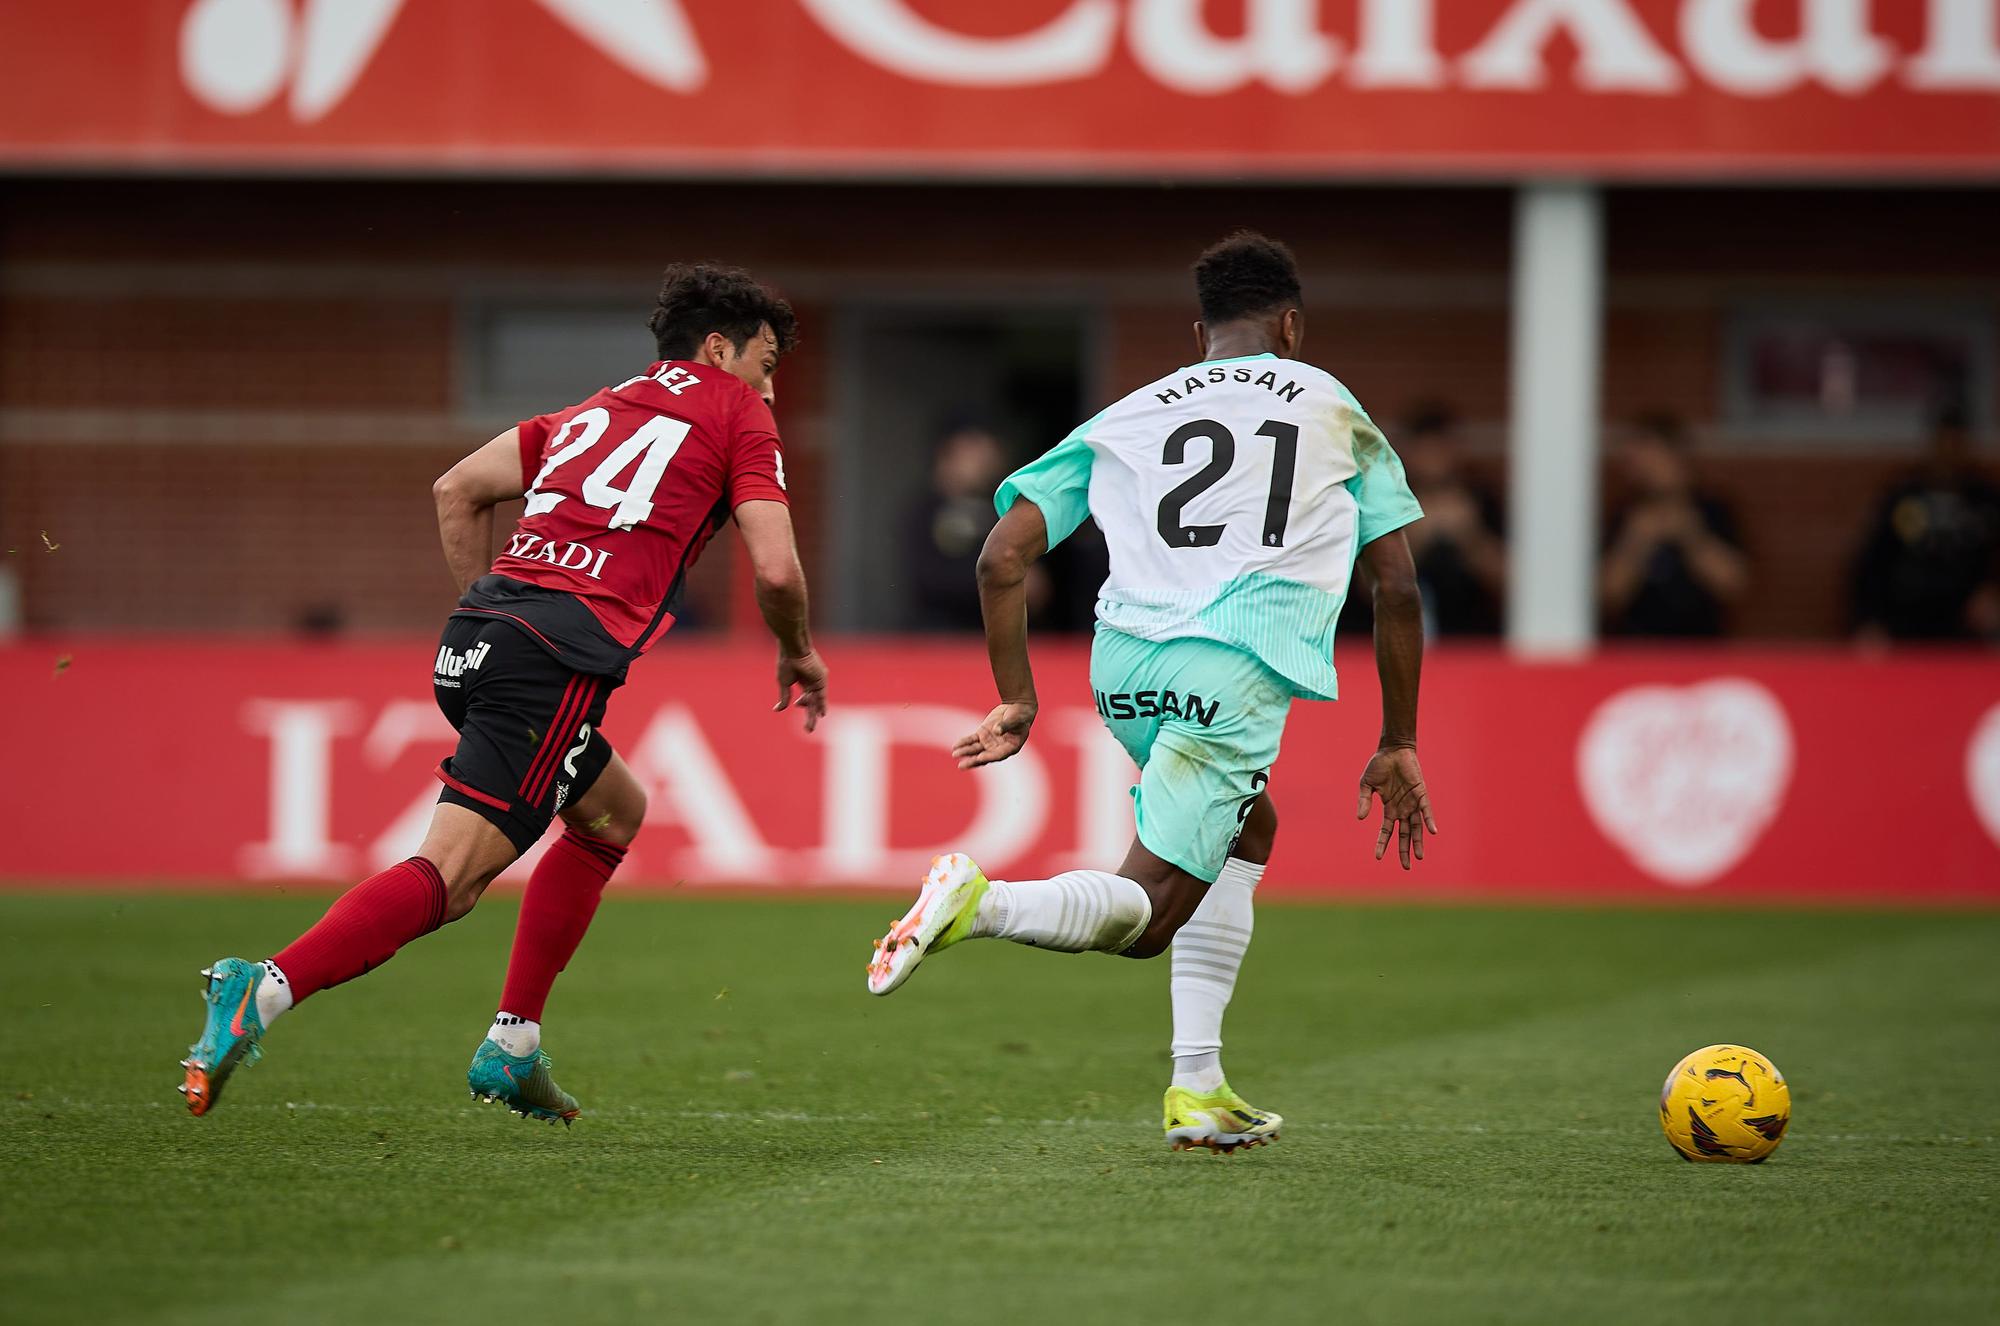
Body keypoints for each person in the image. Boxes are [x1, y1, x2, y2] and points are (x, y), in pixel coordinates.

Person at [178, 264, 828, 1121]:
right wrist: (799, 651)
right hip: (550, 662)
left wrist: (493, 605)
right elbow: (776, 569)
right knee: (450, 878)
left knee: (613, 810)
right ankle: (261, 990)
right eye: (767, 360)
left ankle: (514, 1042)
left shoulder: (596, 408)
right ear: (717, 349)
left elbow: (458, 488)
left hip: (475, 642)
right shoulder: (735, 410)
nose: (771, 386)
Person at [863, 231, 1438, 1154]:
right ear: (1291, 323)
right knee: (1147, 916)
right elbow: (1398, 586)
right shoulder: (1330, 403)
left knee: (1248, 828)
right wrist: (1399, 736)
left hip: (1124, 661)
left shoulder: (1132, 412)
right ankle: (983, 902)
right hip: (1235, 661)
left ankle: (1199, 1086)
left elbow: (1000, 554)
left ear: (1198, 329)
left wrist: (1017, 694)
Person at [1849, 407, 2000, 643]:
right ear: (1933, 444)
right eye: (1944, 443)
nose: (1949, 452)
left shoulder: (1985, 501)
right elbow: (1871, 562)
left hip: (1966, 626)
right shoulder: (1904, 496)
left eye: (1956, 444)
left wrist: (1993, 593)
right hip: (1906, 621)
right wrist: (1869, 620)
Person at [1598, 413, 1748, 637]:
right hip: (1635, 651)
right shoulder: (1624, 513)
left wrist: (1691, 535)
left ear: (1676, 456)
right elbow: (1608, 595)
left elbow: (1733, 585)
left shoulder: (1712, 509)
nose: (1640, 467)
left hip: (1700, 651)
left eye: (1650, 456)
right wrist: (1636, 541)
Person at [1399, 404, 1506, 636]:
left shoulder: (1482, 499)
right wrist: (1413, 539)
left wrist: (1469, 536)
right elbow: (1365, 587)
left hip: (1475, 636)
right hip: (1402, 634)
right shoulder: (1392, 500)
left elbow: (1511, 580)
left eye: (1441, 449)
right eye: (1426, 450)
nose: (1434, 460)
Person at [901, 423, 1012, 630]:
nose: (982, 463)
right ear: (946, 455)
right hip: (938, 636)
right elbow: (928, 579)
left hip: (987, 633)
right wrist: (1003, 576)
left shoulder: (999, 509)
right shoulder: (924, 512)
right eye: (972, 453)